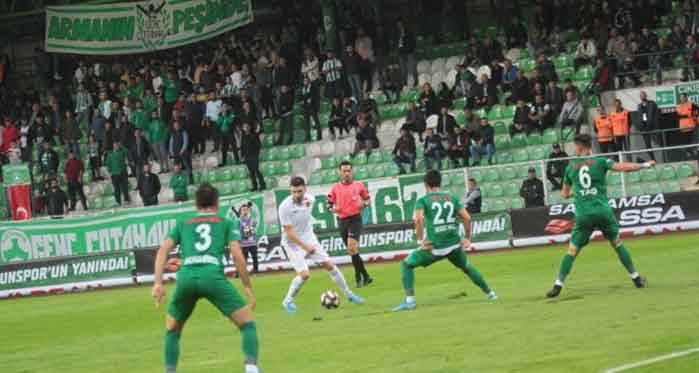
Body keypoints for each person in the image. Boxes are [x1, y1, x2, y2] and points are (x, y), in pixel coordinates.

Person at [151, 183, 260, 373]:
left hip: (186, 277)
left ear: (196, 204)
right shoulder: (226, 222)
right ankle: (251, 367)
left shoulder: (183, 222)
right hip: (212, 277)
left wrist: (158, 283)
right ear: (217, 203)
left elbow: (162, 251)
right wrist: (247, 287)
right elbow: (237, 255)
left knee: (172, 330)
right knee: (247, 325)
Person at [546, 134, 651, 298]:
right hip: (603, 211)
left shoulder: (570, 167)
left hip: (584, 214)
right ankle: (636, 278)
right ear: (590, 146)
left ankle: (558, 285)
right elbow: (623, 167)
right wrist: (644, 165)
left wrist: (577, 191)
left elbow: (564, 194)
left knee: (572, 251)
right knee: (617, 244)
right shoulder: (601, 161)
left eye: (575, 146)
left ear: (579, 147)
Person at [393, 170, 497, 311]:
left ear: (425, 184)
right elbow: (467, 217)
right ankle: (490, 294)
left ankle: (410, 301)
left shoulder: (423, 200)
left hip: (435, 247)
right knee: (467, 267)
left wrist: (420, 241)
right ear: (440, 183)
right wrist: (467, 238)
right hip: (454, 244)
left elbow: (418, 219)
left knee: (406, 264)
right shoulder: (452, 197)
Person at [281, 176, 365, 312]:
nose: (296, 195)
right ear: (290, 191)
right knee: (304, 275)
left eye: (299, 191)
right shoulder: (284, 207)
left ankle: (349, 294)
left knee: (330, 265)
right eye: (293, 192)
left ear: (305, 189)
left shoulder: (311, 200)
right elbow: (289, 232)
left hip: (309, 238)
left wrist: (309, 242)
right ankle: (287, 301)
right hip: (292, 244)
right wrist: (305, 247)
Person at [327, 161, 373, 287]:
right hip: (342, 221)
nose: (346, 173)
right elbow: (329, 205)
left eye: (348, 171)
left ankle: (358, 277)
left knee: (352, 247)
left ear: (352, 171)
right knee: (352, 251)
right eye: (344, 171)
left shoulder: (359, 185)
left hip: (355, 219)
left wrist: (364, 204)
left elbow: (368, 199)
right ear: (340, 172)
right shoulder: (335, 188)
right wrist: (333, 209)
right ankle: (365, 276)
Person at [240, 123, 266, 191]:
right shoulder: (243, 136)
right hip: (247, 156)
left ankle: (262, 185)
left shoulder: (254, 135)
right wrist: (242, 155)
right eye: (244, 127)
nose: (245, 128)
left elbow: (258, 145)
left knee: (257, 171)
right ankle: (255, 186)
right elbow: (242, 146)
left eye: (247, 127)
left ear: (249, 127)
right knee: (251, 172)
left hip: (254, 156)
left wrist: (256, 154)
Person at [105, 141, 131, 206]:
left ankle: (126, 200)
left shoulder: (122, 152)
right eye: (115, 146)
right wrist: (109, 172)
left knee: (125, 187)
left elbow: (127, 151)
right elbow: (108, 164)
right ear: (113, 146)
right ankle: (118, 201)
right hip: (114, 174)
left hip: (123, 172)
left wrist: (121, 145)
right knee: (116, 189)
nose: (116, 147)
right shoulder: (110, 154)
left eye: (117, 146)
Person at [636, 91, 659, 161]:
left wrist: (655, 124)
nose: (642, 97)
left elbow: (656, 114)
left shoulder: (652, 103)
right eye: (641, 96)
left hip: (652, 127)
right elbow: (639, 117)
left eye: (643, 95)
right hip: (644, 128)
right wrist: (639, 126)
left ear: (646, 96)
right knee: (648, 146)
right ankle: (653, 159)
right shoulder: (639, 106)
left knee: (657, 143)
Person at [238, 202, 259, 274]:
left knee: (255, 258)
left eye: (246, 209)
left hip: (252, 242)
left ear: (248, 210)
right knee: (243, 259)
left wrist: (249, 233)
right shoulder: (239, 221)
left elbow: (254, 230)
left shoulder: (252, 220)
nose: (245, 211)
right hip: (243, 244)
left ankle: (256, 271)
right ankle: (242, 272)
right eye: (243, 210)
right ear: (241, 211)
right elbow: (238, 231)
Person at [300, 77, 321, 141]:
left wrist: (309, 100)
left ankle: (319, 136)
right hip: (305, 108)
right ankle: (307, 137)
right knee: (306, 123)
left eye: (306, 81)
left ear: (309, 81)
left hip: (312, 107)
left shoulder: (312, 87)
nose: (305, 82)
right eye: (304, 81)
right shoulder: (303, 88)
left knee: (316, 121)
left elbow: (314, 97)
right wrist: (301, 101)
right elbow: (301, 97)